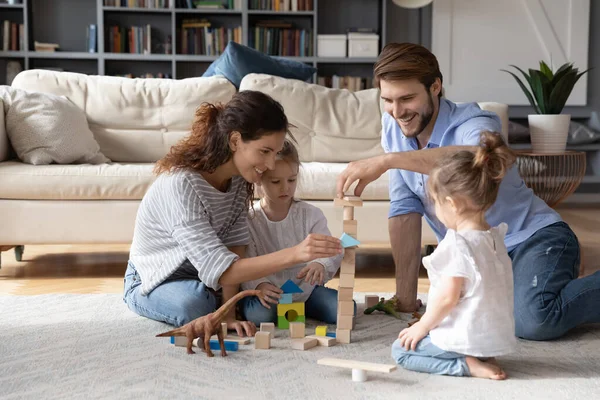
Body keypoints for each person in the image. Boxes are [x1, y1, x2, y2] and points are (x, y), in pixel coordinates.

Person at [336, 42, 600, 341]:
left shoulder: (475, 121)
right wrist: (406, 299)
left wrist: (387, 161)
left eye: (407, 98)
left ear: (435, 87)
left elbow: (478, 157)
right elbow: (405, 207)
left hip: (533, 239)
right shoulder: (392, 126)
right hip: (478, 253)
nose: (397, 112)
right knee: (467, 320)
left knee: (534, 321)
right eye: (388, 100)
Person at [123, 90, 342, 337]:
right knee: (196, 305)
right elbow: (225, 270)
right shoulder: (182, 185)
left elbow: (235, 246)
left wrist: (228, 315)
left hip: (205, 276)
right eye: (264, 151)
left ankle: (218, 299)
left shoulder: (238, 181)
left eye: (275, 152)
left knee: (227, 303)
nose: (270, 165)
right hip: (156, 279)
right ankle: (153, 297)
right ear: (235, 141)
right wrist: (295, 253)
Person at [391, 131, 516, 380]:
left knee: (401, 350)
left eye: (436, 202)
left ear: (453, 204)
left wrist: (422, 326)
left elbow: (448, 298)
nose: (435, 210)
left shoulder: (458, 244)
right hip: (494, 338)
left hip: (465, 338)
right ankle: (481, 357)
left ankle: (465, 365)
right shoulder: (495, 238)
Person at [238, 140, 353, 326]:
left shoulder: (311, 214)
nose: (286, 188)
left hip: (305, 290)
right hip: (270, 291)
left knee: (344, 310)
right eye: (276, 181)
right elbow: (247, 260)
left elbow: (330, 249)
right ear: (259, 179)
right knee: (259, 316)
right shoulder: (250, 219)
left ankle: (299, 309)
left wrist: (320, 264)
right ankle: (274, 309)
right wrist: (259, 284)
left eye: (292, 180)